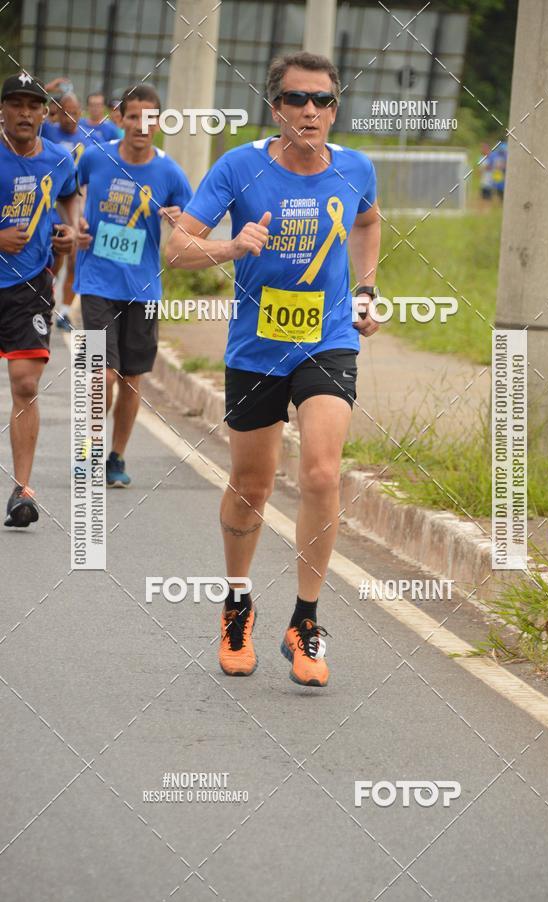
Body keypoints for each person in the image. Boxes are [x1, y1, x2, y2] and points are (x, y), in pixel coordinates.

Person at [166, 52, 381, 687]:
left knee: (321, 472)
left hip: (328, 342)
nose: (309, 111)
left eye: (322, 101)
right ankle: (237, 602)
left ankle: (306, 620)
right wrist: (231, 246)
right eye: (295, 100)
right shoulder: (240, 166)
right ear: (275, 108)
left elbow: (367, 221)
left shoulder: (356, 168)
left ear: (334, 109)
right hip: (256, 348)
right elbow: (177, 249)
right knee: (252, 486)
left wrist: (365, 291)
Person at [74, 84, 192, 488]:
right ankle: (90, 450)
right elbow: (69, 195)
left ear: (159, 122)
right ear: (119, 119)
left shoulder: (170, 172)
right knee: (101, 374)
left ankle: (116, 456)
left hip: (144, 288)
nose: (142, 126)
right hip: (97, 280)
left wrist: (179, 220)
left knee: (131, 379)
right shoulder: (95, 157)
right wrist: (77, 224)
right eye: (134, 117)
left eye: (150, 118)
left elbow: (193, 223)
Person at [0, 72, 77, 527]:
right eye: (16, 104)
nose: (25, 113)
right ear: (3, 111)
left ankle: (22, 490)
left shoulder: (58, 159)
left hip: (29, 285)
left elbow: (70, 203)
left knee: (26, 385)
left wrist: (69, 232)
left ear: (46, 113)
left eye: (34, 105)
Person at [44, 92, 94, 329]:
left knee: (74, 259)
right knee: (54, 260)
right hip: (48, 204)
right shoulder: (46, 131)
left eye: (74, 113)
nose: (70, 117)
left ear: (80, 113)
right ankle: (46, 294)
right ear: (57, 111)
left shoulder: (90, 139)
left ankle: (64, 311)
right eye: (65, 112)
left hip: (75, 205)